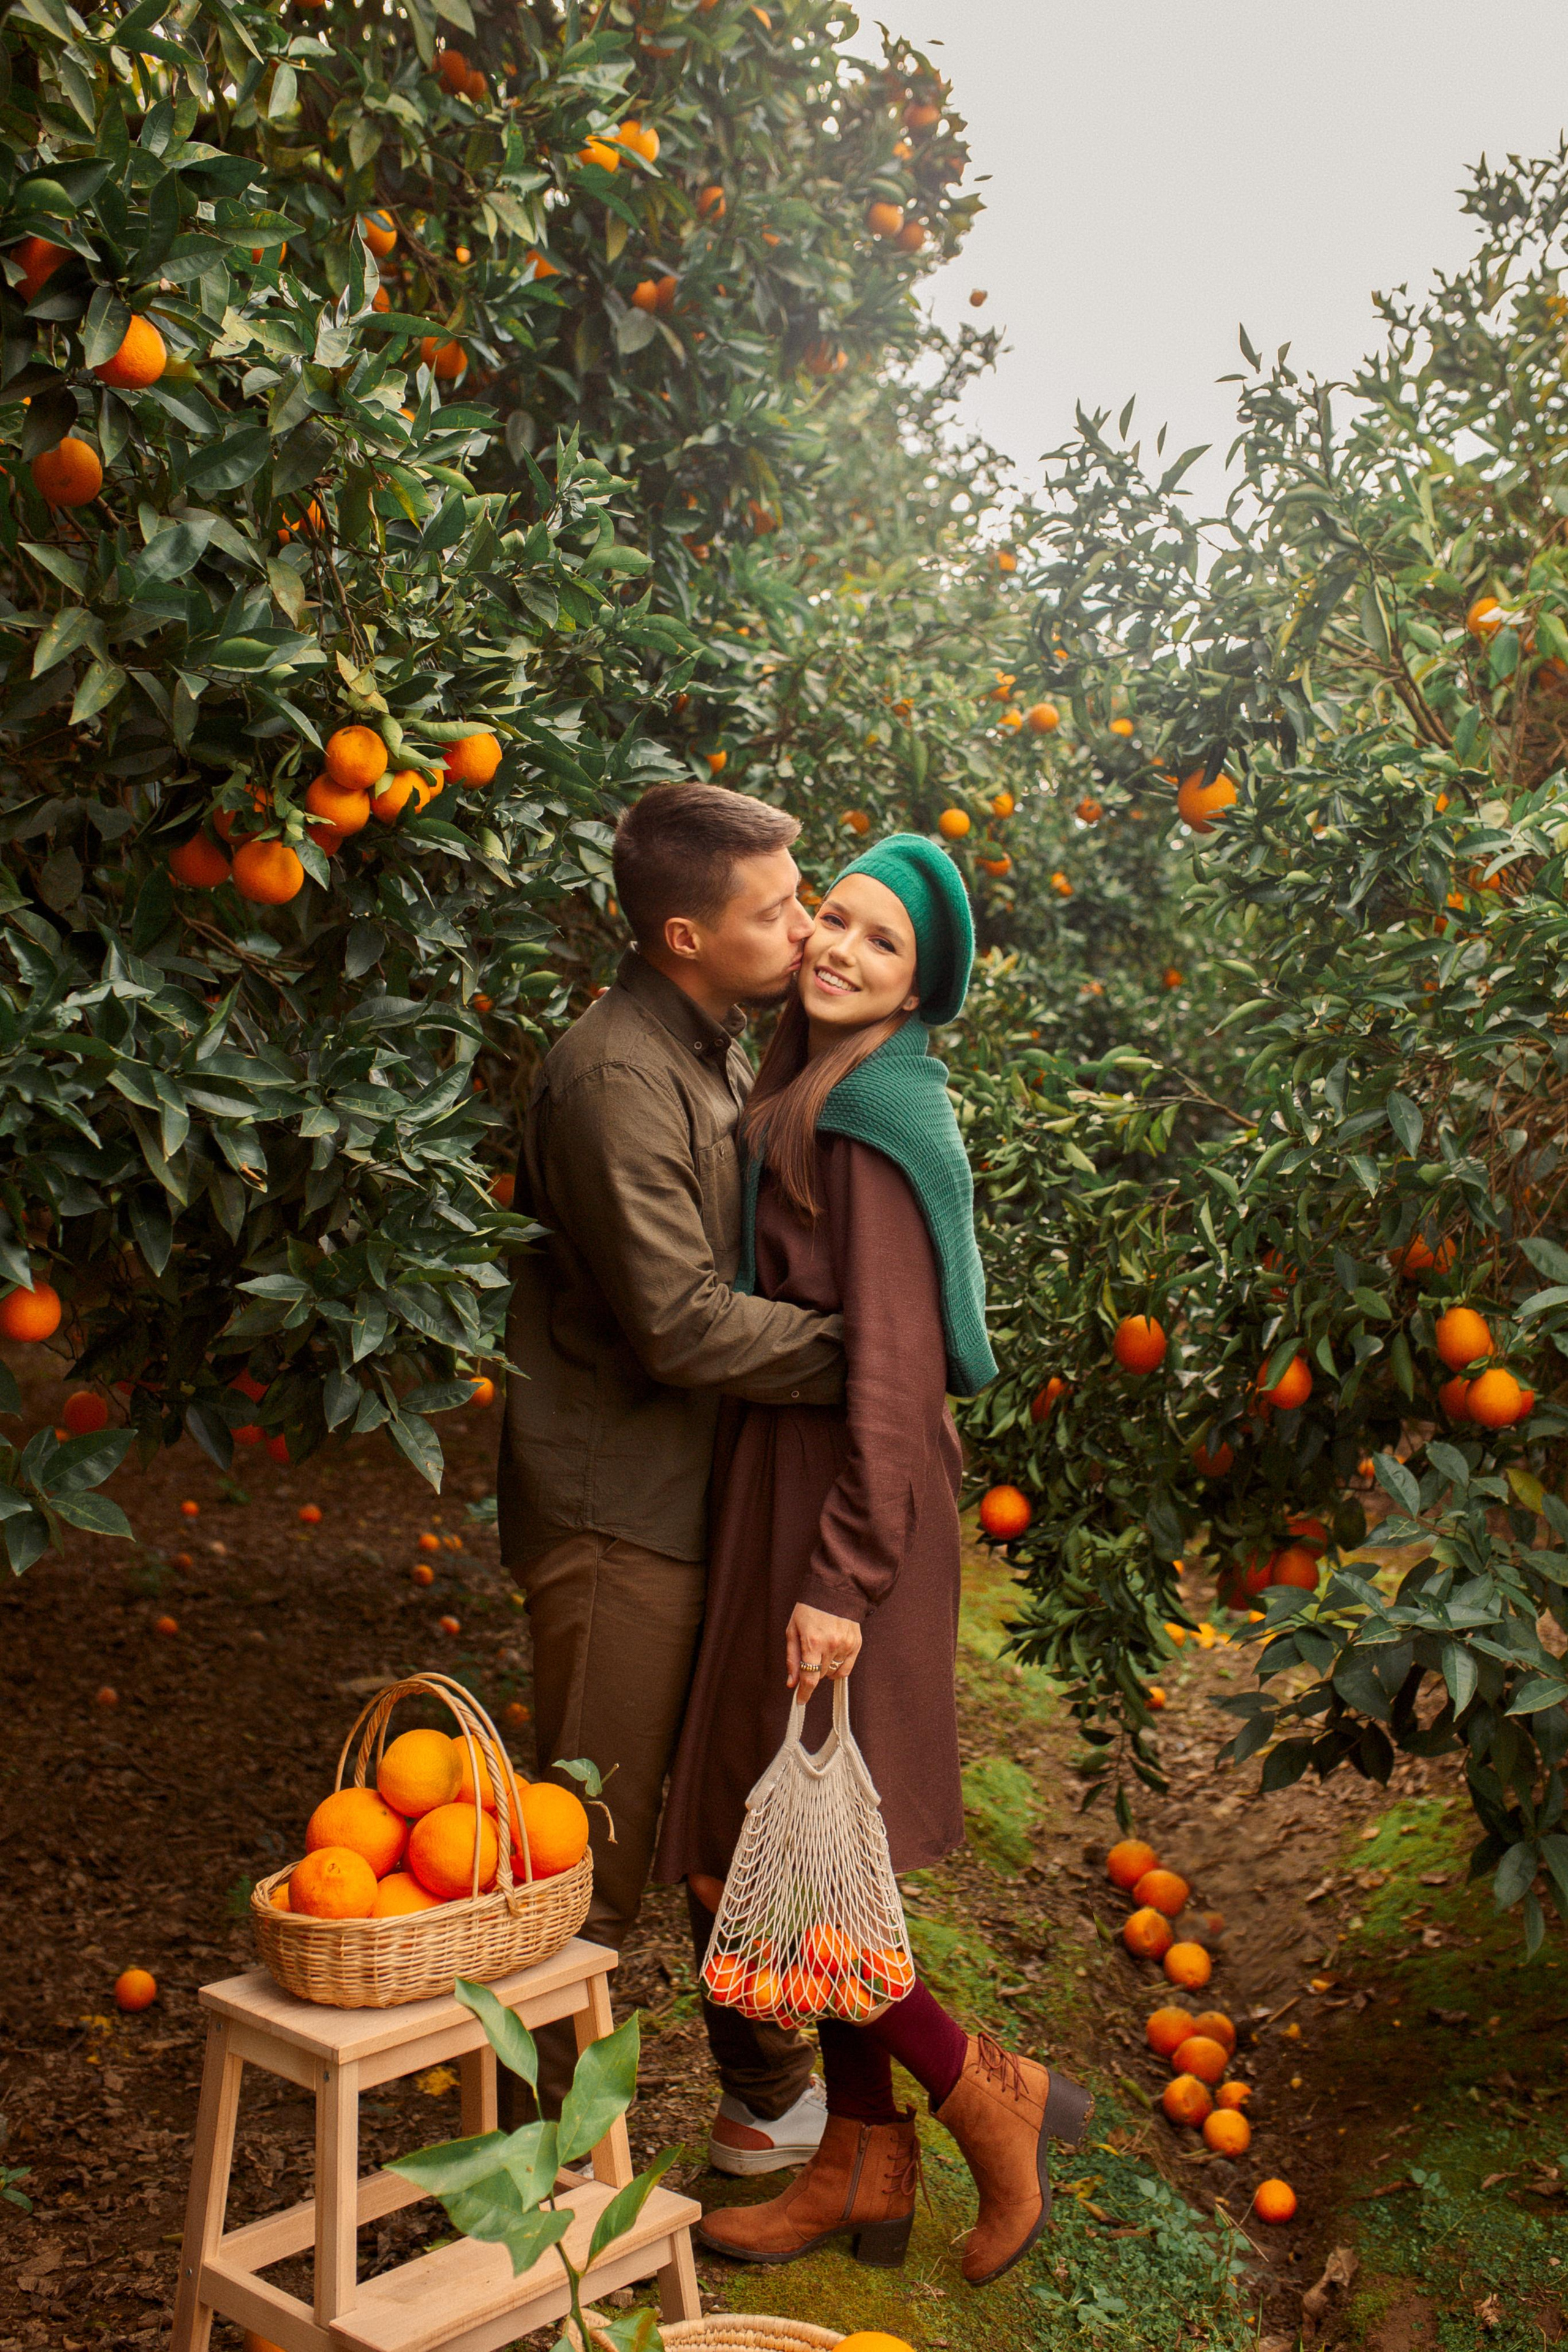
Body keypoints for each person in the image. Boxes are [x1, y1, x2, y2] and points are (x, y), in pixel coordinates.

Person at [655, 833, 1093, 2288]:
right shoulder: (811, 1084)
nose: (837, 948)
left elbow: (897, 1377)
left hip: (848, 1507)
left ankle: (989, 2097)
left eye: (878, 943)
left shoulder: (881, 1111)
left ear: (918, 990)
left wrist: (840, 1576)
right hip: (789, 1488)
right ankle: (861, 2156)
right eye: (831, 919)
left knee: (796, 1859)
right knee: (789, 1852)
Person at [497, 781, 844, 2173]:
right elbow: (677, 1317)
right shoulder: (615, 1076)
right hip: (613, 1516)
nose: (804, 925)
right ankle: (538, 2175)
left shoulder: (711, 1048)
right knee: (590, 1854)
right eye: (775, 909)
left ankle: (763, 2108)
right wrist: (867, 1352)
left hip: (695, 1503)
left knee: (727, 1810)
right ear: (686, 935)